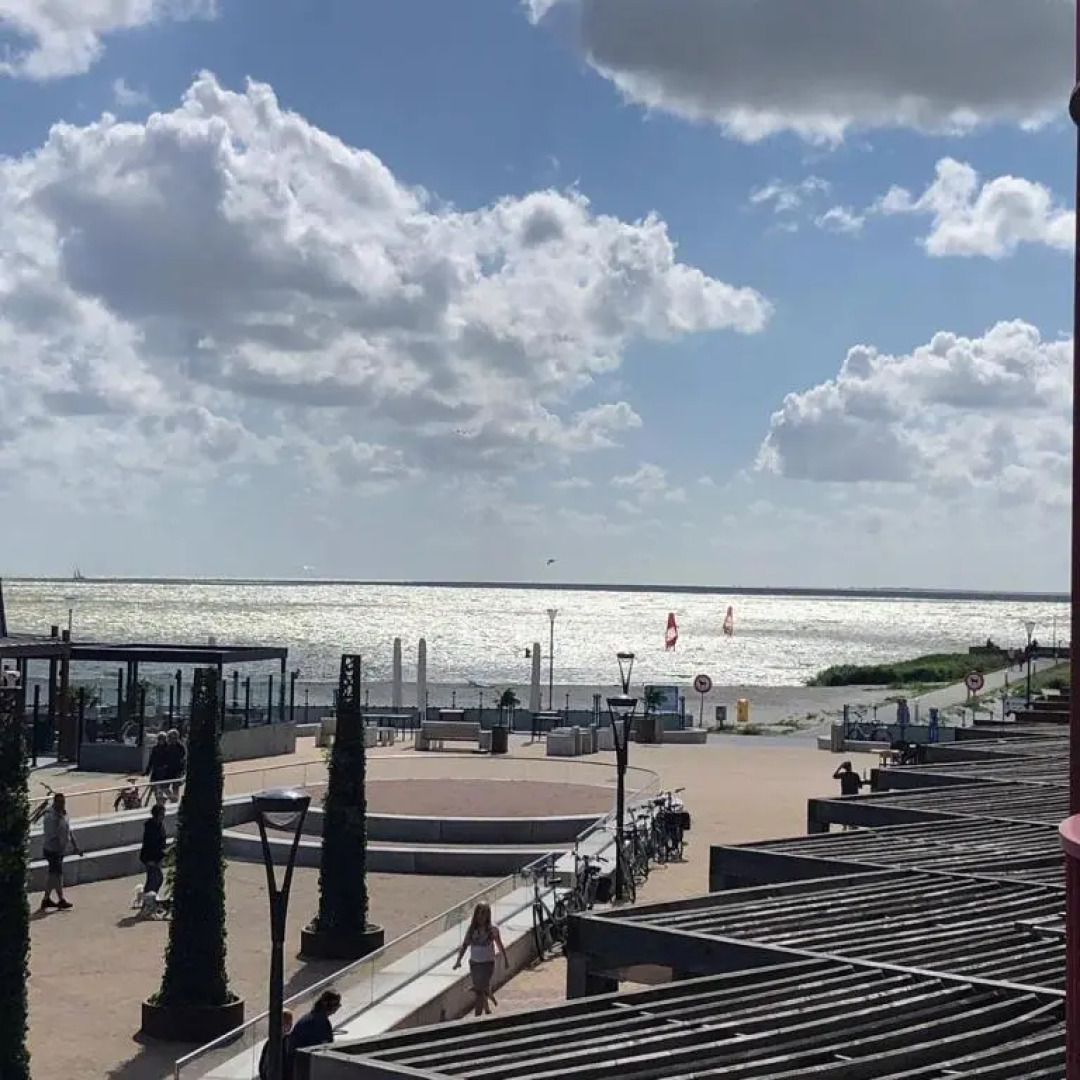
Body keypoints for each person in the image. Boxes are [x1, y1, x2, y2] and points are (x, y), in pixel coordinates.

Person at [453, 902, 508, 1017]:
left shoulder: (492, 929)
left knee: (479, 991)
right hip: (475, 964)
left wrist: (505, 959)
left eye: (485, 913)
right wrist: (458, 960)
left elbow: (499, 944)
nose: (482, 916)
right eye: (480, 913)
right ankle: (487, 1001)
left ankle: (477, 1016)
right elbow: (465, 945)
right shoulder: (472, 929)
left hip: (487, 964)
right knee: (481, 988)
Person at [41, 792, 82, 910]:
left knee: (53, 875)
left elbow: (68, 831)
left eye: (63, 802)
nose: (62, 804)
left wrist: (75, 846)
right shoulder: (50, 816)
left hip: (59, 851)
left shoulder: (63, 814)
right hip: (52, 851)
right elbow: (51, 836)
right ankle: (60, 900)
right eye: (60, 802)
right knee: (57, 875)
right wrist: (59, 848)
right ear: (55, 802)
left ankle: (46, 899)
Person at [286, 990, 341, 1076]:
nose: (338, 1008)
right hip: (304, 1067)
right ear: (328, 1005)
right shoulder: (316, 1022)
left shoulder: (318, 1019)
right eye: (337, 1005)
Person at [139, 802, 168, 900]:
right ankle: (148, 900)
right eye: (162, 814)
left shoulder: (159, 825)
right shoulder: (151, 827)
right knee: (154, 879)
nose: (164, 816)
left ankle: (150, 899)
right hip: (150, 858)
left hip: (157, 857)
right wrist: (150, 860)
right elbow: (149, 844)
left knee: (155, 879)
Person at [258, 1009, 294, 1080]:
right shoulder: (273, 1042)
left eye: (288, 1023)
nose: (286, 1026)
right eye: (285, 1023)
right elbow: (263, 1066)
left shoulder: (290, 1040)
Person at [163, 728, 187, 802]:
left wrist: (182, 769)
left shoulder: (180, 747)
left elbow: (183, 757)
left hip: (177, 770)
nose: (172, 739)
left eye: (174, 737)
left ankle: (175, 801)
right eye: (170, 737)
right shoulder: (166, 746)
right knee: (164, 786)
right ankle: (173, 799)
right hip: (168, 770)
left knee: (175, 786)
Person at [146, 732, 170, 804]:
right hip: (155, 771)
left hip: (164, 772)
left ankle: (172, 799)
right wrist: (148, 770)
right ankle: (159, 802)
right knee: (154, 787)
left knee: (163, 788)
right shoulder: (155, 748)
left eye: (162, 739)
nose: (160, 740)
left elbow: (169, 760)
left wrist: (165, 767)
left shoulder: (168, 748)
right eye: (159, 739)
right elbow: (151, 759)